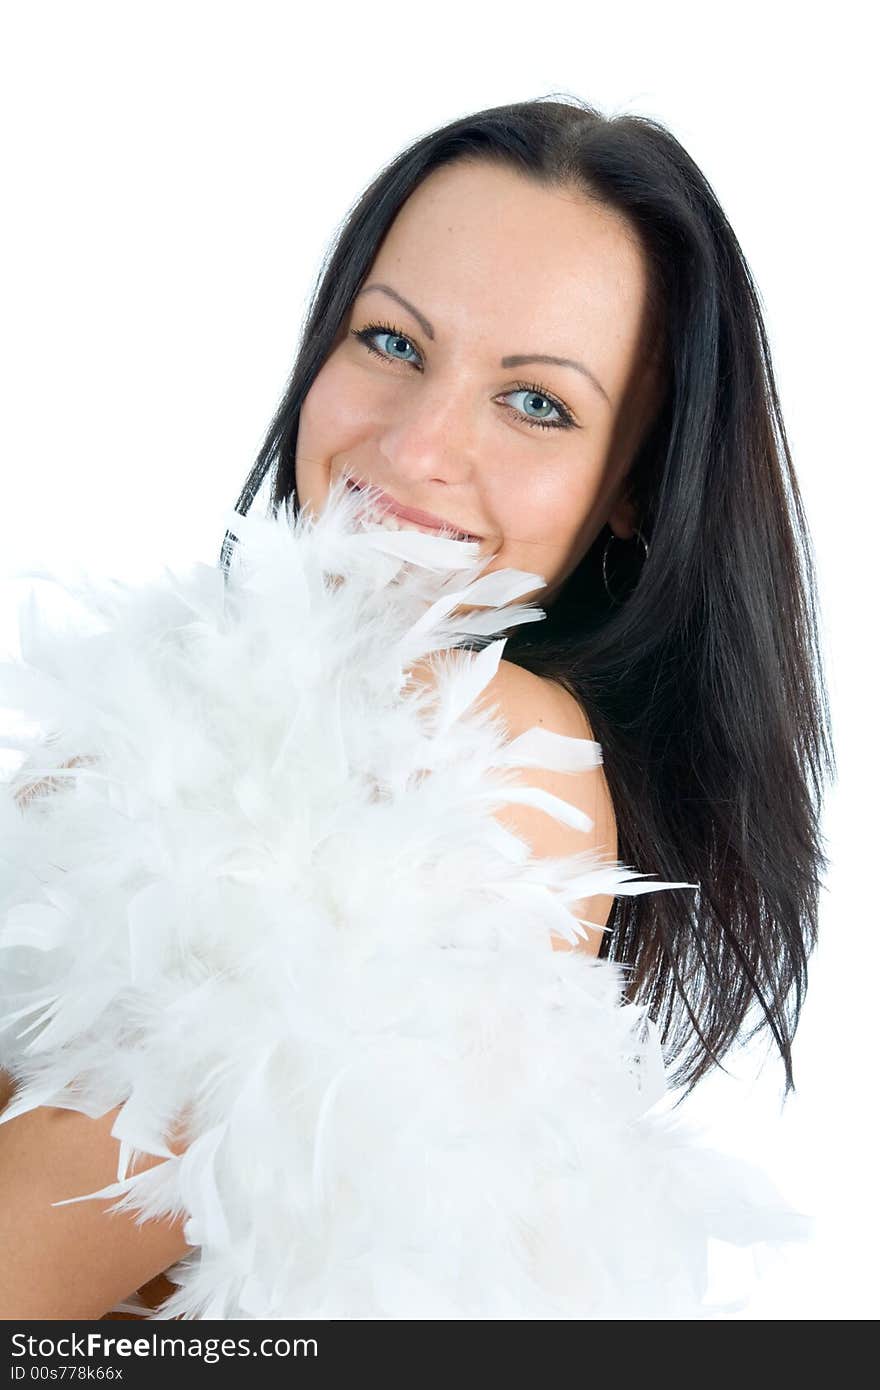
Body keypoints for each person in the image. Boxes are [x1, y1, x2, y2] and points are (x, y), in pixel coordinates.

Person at [0, 95, 834, 1320]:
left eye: (535, 401)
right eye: (392, 342)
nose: (417, 444)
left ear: (631, 494)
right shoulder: (171, 708)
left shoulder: (505, 751)